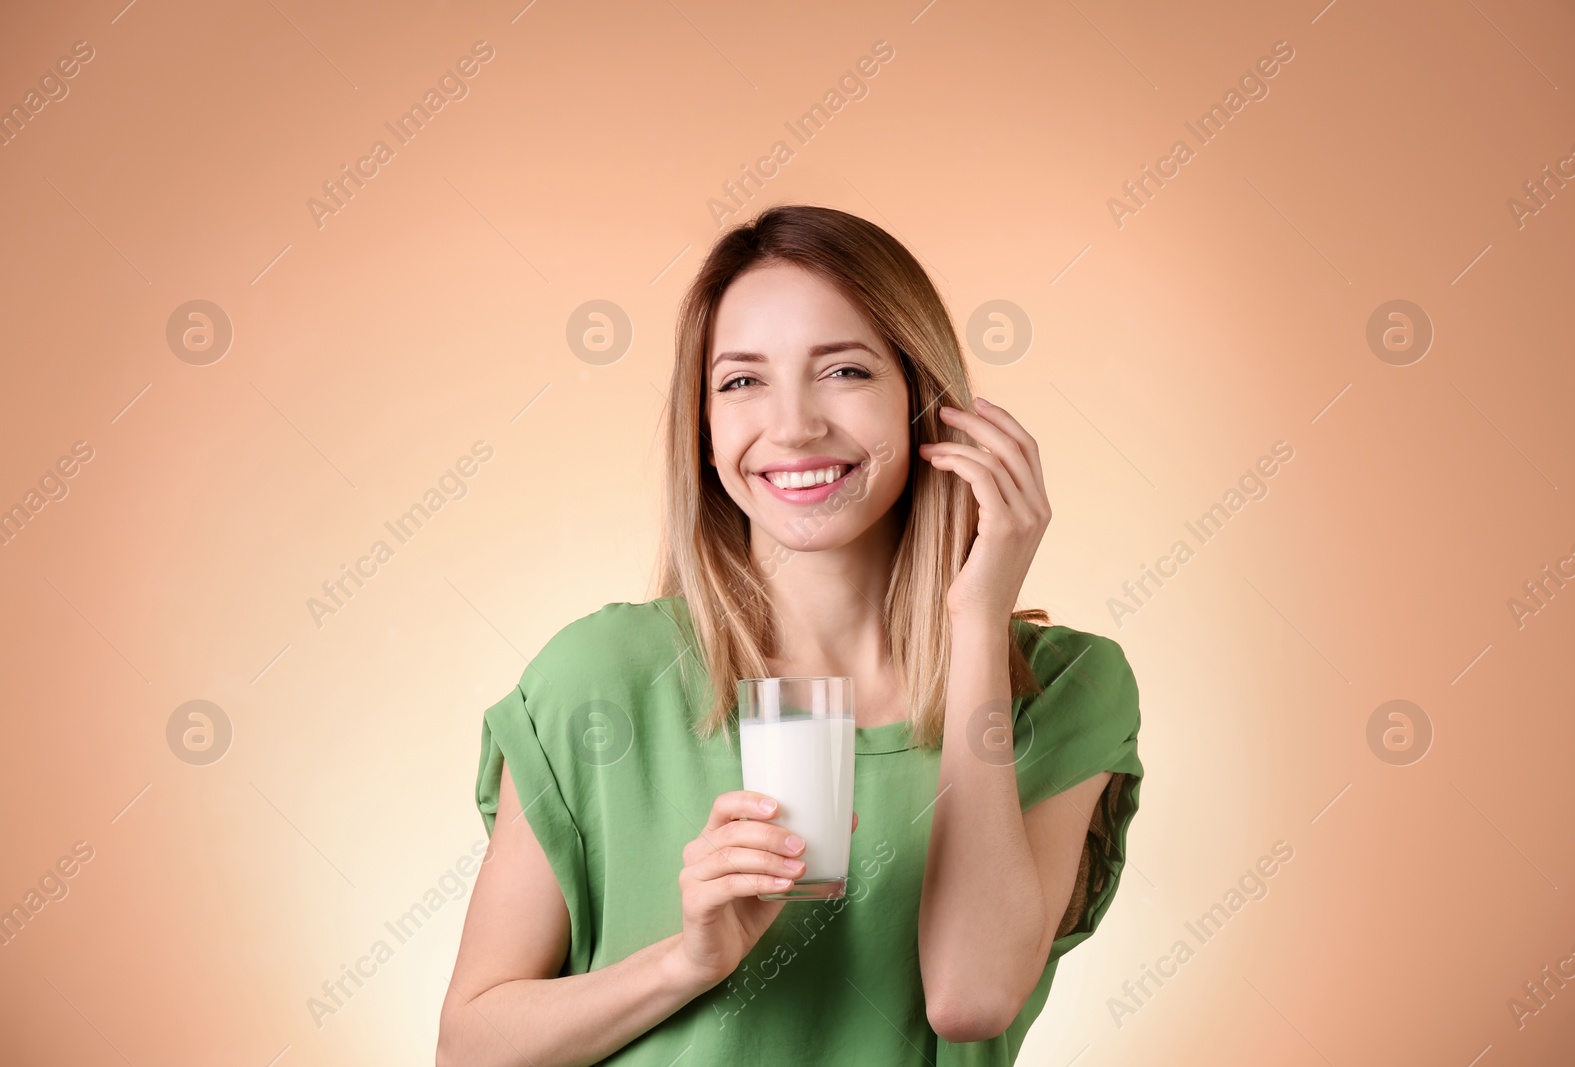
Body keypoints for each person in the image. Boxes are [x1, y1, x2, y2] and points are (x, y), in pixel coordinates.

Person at [436, 204, 1143, 1066]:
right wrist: (685, 961)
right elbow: (470, 1048)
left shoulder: (1065, 687)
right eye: (741, 381)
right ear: (702, 428)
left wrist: (977, 617)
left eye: (844, 370)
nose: (794, 425)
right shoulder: (600, 678)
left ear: (921, 396)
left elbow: (970, 998)